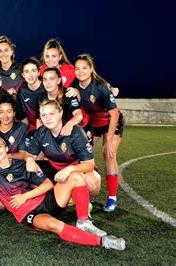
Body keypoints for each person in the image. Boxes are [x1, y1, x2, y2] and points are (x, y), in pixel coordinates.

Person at [0, 136, 126, 251]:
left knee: (76, 176)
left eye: (0, 146)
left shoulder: (23, 165)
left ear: (6, 148)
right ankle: (103, 241)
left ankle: (83, 221)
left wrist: (25, 196)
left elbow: (48, 184)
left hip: (48, 200)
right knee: (54, 225)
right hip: (31, 214)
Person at [72, 54, 125, 212]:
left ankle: (112, 198)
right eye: (77, 68)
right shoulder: (74, 86)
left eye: (84, 68)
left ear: (90, 69)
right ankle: (91, 185)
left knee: (108, 154)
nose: (80, 71)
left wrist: (108, 141)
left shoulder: (100, 86)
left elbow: (114, 114)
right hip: (94, 125)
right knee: (82, 155)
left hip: (112, 122)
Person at [26, 99, 101, 198]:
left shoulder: (76, 132)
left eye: (51, 114)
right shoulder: (41, 132)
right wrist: (29, 159)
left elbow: (90, 164)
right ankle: (59, 196)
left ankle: (83, 199)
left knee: (92, 182)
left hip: (75, 168)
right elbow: (29, 154)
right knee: (32, 174)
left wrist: (69, 169)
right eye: (43, 115)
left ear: (60, 113)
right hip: (54, 167)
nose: (47, 118)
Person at [39, 67, 90, 138]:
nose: (48, 83)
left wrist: (69, 124)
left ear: (59, 80)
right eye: (45, 79)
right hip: (59, 129)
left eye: (52, 79)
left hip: (80, 126)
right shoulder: (41, 97)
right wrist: (40, 135)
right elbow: (39, 120)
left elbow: (79, 115)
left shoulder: (68, 94)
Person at [0, 92, 29, 160]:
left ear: (14, 113)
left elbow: (23, 155)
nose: (5, 116)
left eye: (8, 111)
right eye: (1, 112)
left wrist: (3, 156)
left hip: (16, 168)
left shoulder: (22, 129)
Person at [15, 58, 46, 134]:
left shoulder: (47, 88)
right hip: (33, 128)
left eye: (33, 71)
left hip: (50, 126)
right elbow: (22, 116)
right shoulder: (22, 91)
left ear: (39, 73)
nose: (30, 75)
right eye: (26, 71)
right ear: (23, 75)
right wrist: (25, 132)